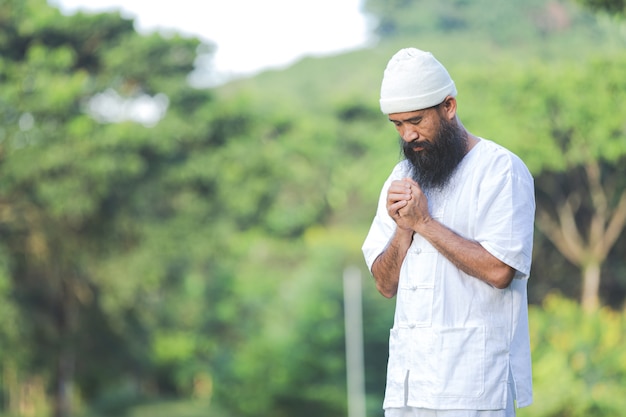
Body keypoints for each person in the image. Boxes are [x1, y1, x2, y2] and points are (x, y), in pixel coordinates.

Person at [362, 48, 535, 417]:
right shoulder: (399, 178)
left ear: (449, 107)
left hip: (474, 389)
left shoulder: (500, 170)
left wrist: (424, 222)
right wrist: (402, 230)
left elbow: (500, 271)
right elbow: (384, 284)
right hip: (408, 390)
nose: (408, 135)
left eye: (416, 120)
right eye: (397, 125)